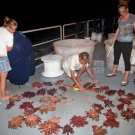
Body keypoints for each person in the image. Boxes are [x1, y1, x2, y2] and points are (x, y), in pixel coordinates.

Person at [106, 1, 135, 86]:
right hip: (118, 41)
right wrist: (114, 38)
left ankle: (125, 78)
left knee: (126, 60)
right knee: (116, 57)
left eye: (123, 11)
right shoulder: (120, 18)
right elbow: (118, 29)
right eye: (120, 12)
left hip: (127, 42)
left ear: (127, 9)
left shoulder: (132, 17)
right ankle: (113, 72)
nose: (122, 13)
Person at [0, 16, 18, 100]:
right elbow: (9, 48)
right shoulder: (9, 35)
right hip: (2, 58)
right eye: (13, 29)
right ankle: (3, 96)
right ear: (7, 26)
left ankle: (2, 90)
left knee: (1, 78)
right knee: (3, 79)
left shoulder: (0, 29)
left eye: (15, 29)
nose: (14, 31)